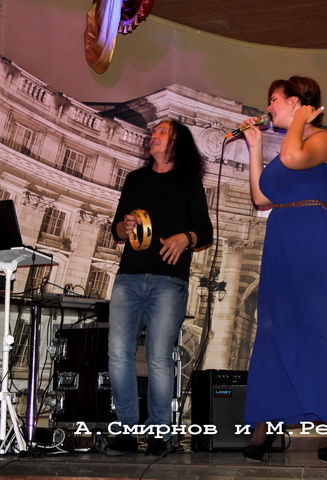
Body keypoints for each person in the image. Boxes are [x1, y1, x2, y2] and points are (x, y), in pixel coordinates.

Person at [240, 76, 327, 463]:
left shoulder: (322, 140)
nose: (269, 107)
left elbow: (293, 160)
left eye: (275, 100)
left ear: (297, 102)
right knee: (273, 328)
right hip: (281, 235)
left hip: (312, 235)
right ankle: (267, 420)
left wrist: (299, 119)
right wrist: (254, 147)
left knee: (325, 328)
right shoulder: (286, 146)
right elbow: (261, 197)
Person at [106, 119, 213, 456]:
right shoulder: (135, 179)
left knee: (159, 358)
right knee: (118, 354)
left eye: (162, 132)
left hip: (169, 281)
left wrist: (186, 238)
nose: (154, 136)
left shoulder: (189, 182)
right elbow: (116, 231)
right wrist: (124, 227)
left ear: (178, 142)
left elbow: (205, 232)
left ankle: (159, 434)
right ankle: (126, 430)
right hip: (129, 277)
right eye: (153, 132)